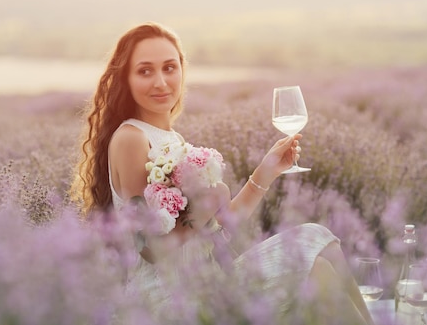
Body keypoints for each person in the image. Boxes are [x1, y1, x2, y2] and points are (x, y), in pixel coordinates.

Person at [71, 22, 376, 325]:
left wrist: (266, 171)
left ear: (182, 70)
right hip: (170, 300)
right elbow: (150, 250)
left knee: (319, 238)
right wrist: (203, 209)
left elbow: (221, 225)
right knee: (317, 270)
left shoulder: (172, 140)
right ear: (126, 78)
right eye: (145, 71)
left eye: (169, 67)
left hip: (207, 281)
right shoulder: (131, 139)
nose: (161, 82)